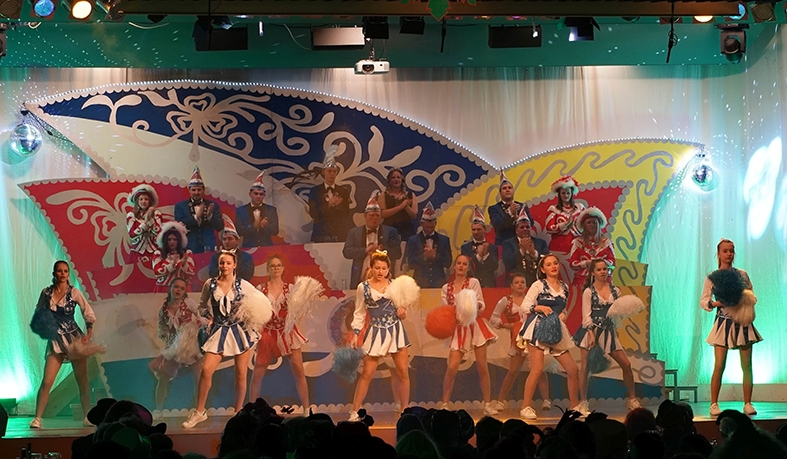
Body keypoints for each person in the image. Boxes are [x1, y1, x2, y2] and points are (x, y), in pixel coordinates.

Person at [182, 251, 272, 429]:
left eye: (228, 263)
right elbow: (201, 307)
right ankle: (200, 412)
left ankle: (237, 414)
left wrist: (251, 317)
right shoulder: (210, 284)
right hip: (219, 331)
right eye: (222, 263)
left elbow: (260, 304)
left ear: (234, 265)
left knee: (241, 374)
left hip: (241, 332)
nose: (224, 266)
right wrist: (208, 317)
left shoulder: (243, 285)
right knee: (206, 370)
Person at [29, 260, 97, 428]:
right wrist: (43, 327)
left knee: (82, 380)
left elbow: (87, 311)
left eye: (65, 271)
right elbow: (38, 312)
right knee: (47, 381)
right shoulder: (46, 293)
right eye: (59, 271)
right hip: (55, 341)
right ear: (54, 273)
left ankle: (87, 416)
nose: (62, 274)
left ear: (68, 273)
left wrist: (89, 332)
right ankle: (37, 418)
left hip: (74, 340)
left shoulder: (74, 292)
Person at [701, 238, 761, 417]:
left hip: (742, 322)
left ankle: (747, 403)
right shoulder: (712, 277)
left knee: (747, 365)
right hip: (723, 323)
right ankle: (713, 404)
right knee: (719, 364)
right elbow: (704, 301)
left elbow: (751, 294)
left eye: (731, 250)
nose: (729, 254)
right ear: (718, 254)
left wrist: (743, 299)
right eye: (725, 251)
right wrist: (717, 303)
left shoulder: (742, 274)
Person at [517, 254, 581, 420]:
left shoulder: (564, 287)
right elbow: (525, 306)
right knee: (537, 369)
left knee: (573, 369)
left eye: (555, 263)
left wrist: (563, 314)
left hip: (555, 330)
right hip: (537, 329)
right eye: (549, 264)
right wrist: (539, 307)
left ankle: (574, 406)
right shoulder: (538, 285)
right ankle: (525, 407)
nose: (553, 266)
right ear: (543, 269)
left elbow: (562, 308)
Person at [349, 251, 410, 421]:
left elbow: (403, 311)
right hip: (375, 331)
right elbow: (359, 313)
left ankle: (405, 411)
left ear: (388, 269)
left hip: (395, 330)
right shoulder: (363, 287)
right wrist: (355, 334)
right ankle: (354, 411)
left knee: (402, 371)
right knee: (367, 373)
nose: (380, 271)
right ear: (371, 268)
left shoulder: (395, 286)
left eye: (383, 268)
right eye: (377, 268)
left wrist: (403, 313)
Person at [573, 259, 639, 414]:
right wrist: (591, 334)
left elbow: (617, 313)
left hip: (608, 331)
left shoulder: (616, 291)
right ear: (593, 272)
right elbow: (586, 315)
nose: (603, 272)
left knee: (626, 364)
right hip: (591, 331)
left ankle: (632, 399)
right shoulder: (589, 292)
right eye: (599, 269)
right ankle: (583, 402)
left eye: (605, 269)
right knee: (585, 367)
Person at [250, 255, 310, 411]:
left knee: (299, 370)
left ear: (283, 268)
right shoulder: (260, 289)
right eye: (272, 266)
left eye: (278, 265)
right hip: (267, 333)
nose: (276, 268)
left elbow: (298, 311)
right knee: (257, 374)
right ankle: (253, 410)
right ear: (268, 269)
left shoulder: (291, 288)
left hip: (287, 332)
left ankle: (306, 409)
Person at [441, 254, 498, 415]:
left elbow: (481, 303)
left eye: (464, 264)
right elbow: (446, 309)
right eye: (458, 263)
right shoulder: (446, 288)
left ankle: (487, 404)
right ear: (454, 266)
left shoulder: (473, 283)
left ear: (468, 268)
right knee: (452, 367)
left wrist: (475, 306)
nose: (461, 266)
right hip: (459, 328)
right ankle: (444, 403)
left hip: (475, 326)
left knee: (482, 366)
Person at [489, 272, 551, 412]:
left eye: (522, 282)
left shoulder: (531, 300)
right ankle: (500, 401)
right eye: (516, 282)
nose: (520, 285)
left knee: (539, 369)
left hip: (533, 338)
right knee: (512, 371)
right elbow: (494, 319)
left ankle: (546, 400)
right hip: (517, 340)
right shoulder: (505, 301)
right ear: (511, 285)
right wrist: (508, 325)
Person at [149, 278, 203, 411]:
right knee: (163, 379)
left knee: (199, 379)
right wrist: (167, 338)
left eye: (182, 288)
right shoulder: (164, 309)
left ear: (184, 292)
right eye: (176, 287)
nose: (178, 290)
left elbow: (200, 316)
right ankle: (159, 410)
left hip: (190, 346)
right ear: (171, 288)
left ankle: (199, 410)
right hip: (174, 347)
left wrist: (197, 327)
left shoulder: (188, 303)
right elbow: (161, 328)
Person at [342, 190, 402, 288]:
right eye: (372, 215)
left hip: (385, 280)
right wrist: (365, 250)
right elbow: (346, 252)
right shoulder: (354, 232)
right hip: (360, 278)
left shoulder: (390, 231)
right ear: (365, 216)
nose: (375, 218)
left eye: (377, 215)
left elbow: (397, 253)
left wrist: (382, 250)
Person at [307, 146, 353, 243]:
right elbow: (313, 213)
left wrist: (337, 206)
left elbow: (346, 214)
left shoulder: (343, 191)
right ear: (323, 172)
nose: (332, 174)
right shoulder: (315, 191)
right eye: (329, 171)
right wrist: (329, 204)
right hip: (320, 234)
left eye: (334, 171)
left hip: (339, 233)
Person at [174, 166, 224, 254]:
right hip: (189, 247)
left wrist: (210, 216)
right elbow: (178, 226)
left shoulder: (212, 205)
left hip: (208, 246)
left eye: (199, 190)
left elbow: (219, 226)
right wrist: (196, 217)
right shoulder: (180, 206)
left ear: (203, 190)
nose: (196, 192)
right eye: (193, 190)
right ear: (189, 190)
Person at [404, 202, 452, 288]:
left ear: (435, 223)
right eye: (427, 227)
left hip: (439, 283)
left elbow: (448, 262)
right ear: (421, 224)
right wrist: (424, 256)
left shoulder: (444, 240)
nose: (429, 230)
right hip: (420, 282)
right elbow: (411, 264)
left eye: (432, 227)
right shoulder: (413, 240)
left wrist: (435, 256)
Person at [502, 206, 549, 285]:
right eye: (522, 227)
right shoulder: (508, 244)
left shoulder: (541, 243)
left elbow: (547, 262)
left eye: (527, 227)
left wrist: (534, 253)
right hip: (516, 283)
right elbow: (507, 263)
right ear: (516, 230)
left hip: (537, 281)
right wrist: (522, 251)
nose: (525, 229)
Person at [569, 207, 615, 287]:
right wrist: (586, 263)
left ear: (599, 224)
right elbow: (572, 263)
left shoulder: (607, 242)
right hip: (582, 280)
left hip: (603, 279)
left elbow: (612, 261)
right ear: (584, 225)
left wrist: (600, 263)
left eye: (594, 222)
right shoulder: (577, 242)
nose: (592, 225)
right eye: (589, 222)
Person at [235, 171, 280, 248]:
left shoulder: (271, 210)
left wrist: (264, 226)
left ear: (264, 195)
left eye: (261, 194)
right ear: (250, 194)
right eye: (256, 193)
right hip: (248, 248)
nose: (258, 196)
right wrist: (253, 226)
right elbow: (239, 232)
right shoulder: (241, 211)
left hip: (267, 248)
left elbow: (275, 231)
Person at [488, 170, 533, 245]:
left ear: (513, 191)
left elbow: (531, 223)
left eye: (509, 188)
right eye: (504, 188)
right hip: (503, 244)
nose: (507, 190)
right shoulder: (494, 209)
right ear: (500, 193)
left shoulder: (522, 206)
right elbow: (498, 227)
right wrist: (510, 214)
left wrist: (518, 218)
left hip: (522, 243)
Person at [461, 205, 499, 288]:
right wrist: (478, 256)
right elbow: (467, 267)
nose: (476, 232)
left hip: (489, 285)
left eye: (478, 229)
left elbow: (495, 266)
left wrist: (485, 255)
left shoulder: (492, 248)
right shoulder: (465, 248)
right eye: (473, 229)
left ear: (484, 229)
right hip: (471, 285)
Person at [209, 215, 255, 281]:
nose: (226, 242)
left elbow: (248, 275)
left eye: (230, 239)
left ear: (237, 241)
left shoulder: (246, 257)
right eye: (224, 239)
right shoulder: (216, 257)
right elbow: (212, 274)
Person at [545, 176, 585, 253]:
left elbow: (586, 226)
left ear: (572, 193)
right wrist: (566, 224)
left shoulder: (580, 208)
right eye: (563, 193)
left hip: (578, 246)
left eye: (568, 193)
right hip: (559, 246)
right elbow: (549, 228)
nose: (566, 195)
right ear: (559, 194)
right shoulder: (553, 209)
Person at [152, 222, 195, 293]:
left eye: (175, 239)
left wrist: (184, 264)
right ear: (165, 241)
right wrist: (172, 265)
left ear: (179, 241)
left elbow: (192, 273)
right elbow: (157, 273)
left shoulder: (187, 254)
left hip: (182, 289)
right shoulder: (158, 254)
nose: (172, 242)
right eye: (169, 239)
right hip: (163, 289)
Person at [126, 184, 162, 264]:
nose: (143, 202)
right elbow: (132, 235)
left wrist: (150, 216)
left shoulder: (157, 214)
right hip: (137, 252)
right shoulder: (131, 215)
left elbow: (158, 232)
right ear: (137, 201)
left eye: (146, 199)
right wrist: (146, 223)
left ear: (150, 201)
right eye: (141, 199)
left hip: (153, 252)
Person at [380, 167, 418, 241]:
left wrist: (406, 206)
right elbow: (382, 214)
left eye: (398, 177)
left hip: (406, 230)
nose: (396, 179)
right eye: (393, 178)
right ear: (389, 180)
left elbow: (414, 215)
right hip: (388, 228)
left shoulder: (411, 195)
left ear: (402, 179)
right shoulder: (383, 195)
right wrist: (400, 207)